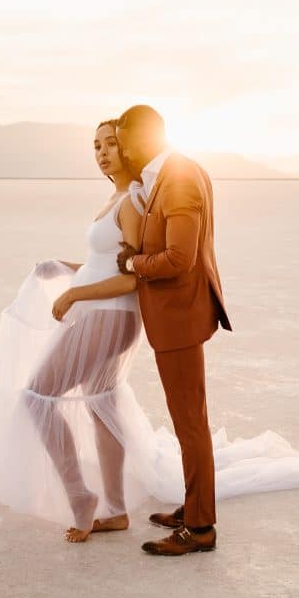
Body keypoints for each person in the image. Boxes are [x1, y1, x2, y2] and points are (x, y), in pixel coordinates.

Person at [0, 117, 299, 550]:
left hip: (116, 314)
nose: (103, 152)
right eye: (95, 145)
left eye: (112, 143)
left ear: (134, 147)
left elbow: (144, 268)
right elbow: (108, 262)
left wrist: (77, 295)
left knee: (42, 397)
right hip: (113, 311)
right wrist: (67, 271)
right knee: (102, 402)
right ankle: (122, 509)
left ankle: (116, 507)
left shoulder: (153, 191)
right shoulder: (136, 194)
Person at [115, 104, 231, 555]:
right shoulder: (176, 172)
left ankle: (200, 528)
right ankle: (194, 504)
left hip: (179, 315)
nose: (122, 154)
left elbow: (178, 259)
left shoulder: (179, 177)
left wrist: (132, 263)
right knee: (190, 421)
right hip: (178, 313)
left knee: (190, 424)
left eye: (124, 144)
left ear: (143, 139)